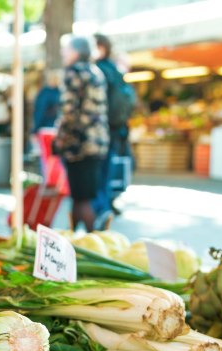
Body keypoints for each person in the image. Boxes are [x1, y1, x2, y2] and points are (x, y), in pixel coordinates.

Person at [55, 36, 109, 233]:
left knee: (81, 197)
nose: (63, 53)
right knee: (81, 197)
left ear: (76, 52)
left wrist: (58, 138)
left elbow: (68, 111)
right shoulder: (96, 72)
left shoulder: (73, 72)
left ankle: (93, 239)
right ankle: (76, 240)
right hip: (98, 143)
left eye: (66, 49)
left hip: (79, 144)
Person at [92, 33, 134, 222]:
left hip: (101, 131)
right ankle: (106, 204)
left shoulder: (97, 71)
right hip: (117, 130)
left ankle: (100, 208)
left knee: (97, 171)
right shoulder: (116, 71)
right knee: (107, 170)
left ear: (100, 47)